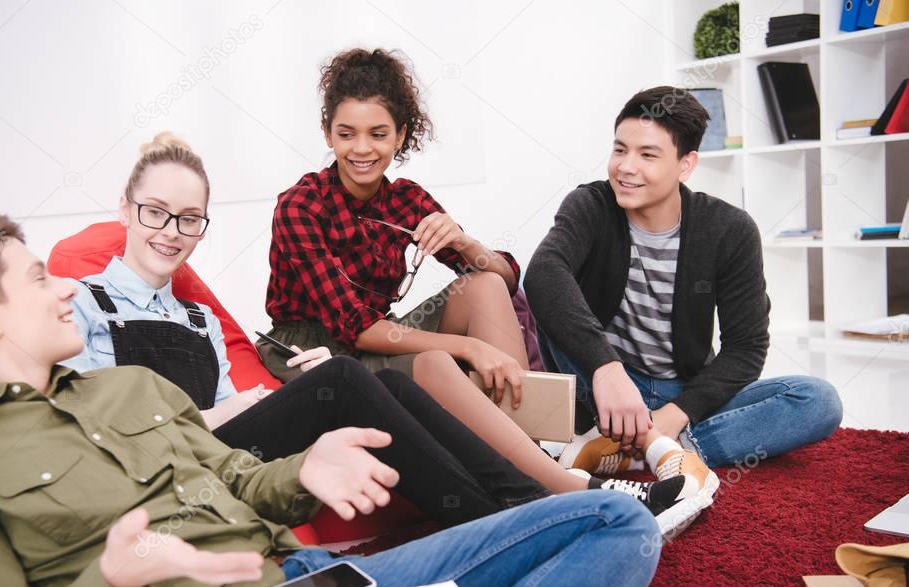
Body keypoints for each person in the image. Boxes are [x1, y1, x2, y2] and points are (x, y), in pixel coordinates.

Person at [0, 216, 730, 587]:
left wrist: (305, 468)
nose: (63, 283)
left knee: (611, 526)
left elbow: (241, 480)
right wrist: (110, 580)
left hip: (306, 583)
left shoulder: (129, 390)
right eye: (37, 277)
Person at [259, 48, 700, 526]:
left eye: (378, 134)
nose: (361, 148)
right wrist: (469, 347)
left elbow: (507, 277)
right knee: (436, 362)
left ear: (401, 135)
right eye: (346, 134)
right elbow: (357, 329)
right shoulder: (300, 205)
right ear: (329, 134)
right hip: (318, 349)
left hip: (379, 333)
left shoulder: (406, 199)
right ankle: (569, 489)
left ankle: (530, 455)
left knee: (485, 284)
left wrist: (465, 243)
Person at [61, 132, 559, 526]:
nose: (171, 232)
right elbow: (92, 428)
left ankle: (523, 494)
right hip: (166, 463)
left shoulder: (200, 318)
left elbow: (237, 418)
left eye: (189, 220)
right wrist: (216, 414)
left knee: (380, 382)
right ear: (124, 209)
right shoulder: (81, 303)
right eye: (155, 213)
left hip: (225, 455)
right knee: (344, 377)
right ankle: (504, 515)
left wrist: (257, 400)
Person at [525, 86, 843, 483]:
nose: (626, 167)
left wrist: (674, 415)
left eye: (647, 155)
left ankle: (641, 447)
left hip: (686, 393)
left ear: (685, 165)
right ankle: (659, 449)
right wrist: (607, 370)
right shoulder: (590, 205)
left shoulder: (729, 229)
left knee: (817, 401)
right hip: (605, 390)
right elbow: (543, 272)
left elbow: (746, 347)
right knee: (553, 291)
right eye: (620, 149)